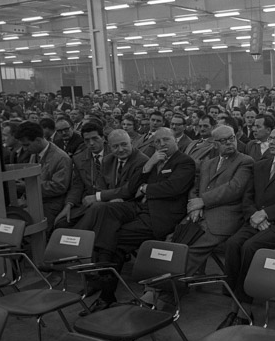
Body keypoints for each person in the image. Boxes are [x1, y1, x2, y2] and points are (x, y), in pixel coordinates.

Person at [76, 128, 195, 314]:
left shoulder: (184, 162)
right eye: (157, 141)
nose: (162, 144)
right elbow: (131, 188)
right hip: (140, 209)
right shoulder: (152, 160)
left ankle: (105, 289)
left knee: (113, 240)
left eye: (166, 140)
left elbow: (174, 188)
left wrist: (147, 188)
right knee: (106, 210)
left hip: (161, 216)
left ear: (176, 141)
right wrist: (148, 167)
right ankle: (104, 276)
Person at [217, 126, 275, 329]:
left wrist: (267, 214)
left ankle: (242, 308)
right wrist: (253, 215)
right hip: (255, 219)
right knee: (232, 244)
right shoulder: (260, 165)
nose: (272, 142)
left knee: (250, 247)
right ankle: (234, 299)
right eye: (271, 138)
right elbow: (247, 196)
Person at [175, 125, 253, 277]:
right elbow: (195, 188)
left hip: (223, 219)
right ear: (214, 144)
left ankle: (165, 295)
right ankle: (157, 287)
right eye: (223, 140)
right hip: (199, 215)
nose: (229, 143)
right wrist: (195, 206)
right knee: (173, 243)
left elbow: (234, 189)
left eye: (231, 138)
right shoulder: (208, 163)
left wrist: (202, 201)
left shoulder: (245, 161)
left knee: (191, 251)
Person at [14, 121, 72, 232]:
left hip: (52, 204)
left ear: (38, 140)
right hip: (35, 199)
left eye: (26, 145)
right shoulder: (35, 153)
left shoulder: (61, 158)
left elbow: (59, 187)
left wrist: (27, 186)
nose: (25, 149)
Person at [55, 121, 109, 228]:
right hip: (86, 203)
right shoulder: (79, 158)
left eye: (95, 138)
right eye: (87, 140)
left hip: (108, 201)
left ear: (103, 138)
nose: (91, 143)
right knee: (61, 223)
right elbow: (77, 185)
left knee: (84, 228)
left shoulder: (115, 154)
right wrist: (69, 205)